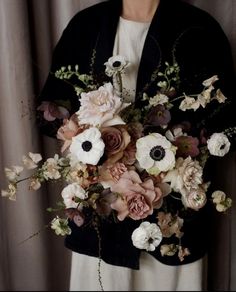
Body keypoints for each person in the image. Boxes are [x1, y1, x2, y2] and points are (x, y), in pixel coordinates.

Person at [37, 0, 235, 290]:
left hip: (170, 223)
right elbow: (50, 111)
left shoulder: (199, 29)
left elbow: (223, 124)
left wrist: (164, 159)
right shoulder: (86, 25)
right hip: (102, 217)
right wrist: (88, 140)